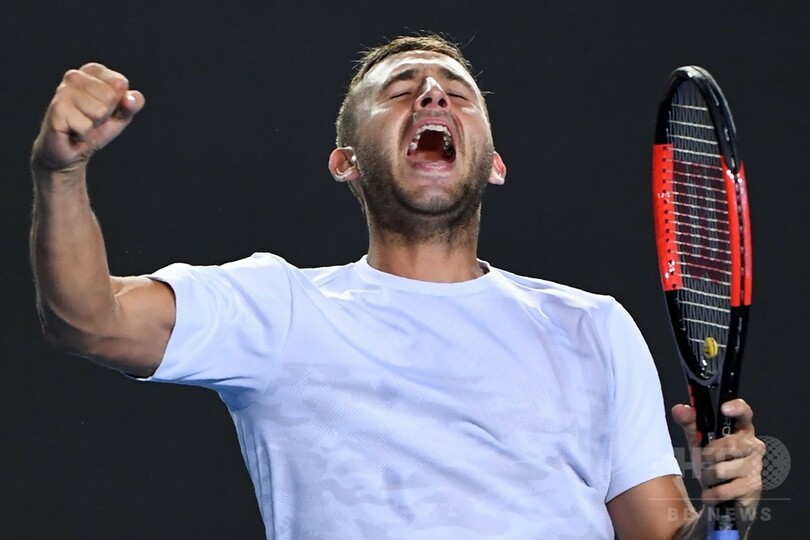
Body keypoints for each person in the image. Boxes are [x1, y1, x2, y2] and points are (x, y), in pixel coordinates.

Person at [30, 35, 764, 539]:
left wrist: (728, 509)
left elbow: (661, 535)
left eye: (457, 93)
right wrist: (61, 173)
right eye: (400, 91)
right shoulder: (279, 308)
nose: (432, 96)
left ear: (495, 164)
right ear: (345, 162)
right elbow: (88, 320)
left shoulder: (593, 325)